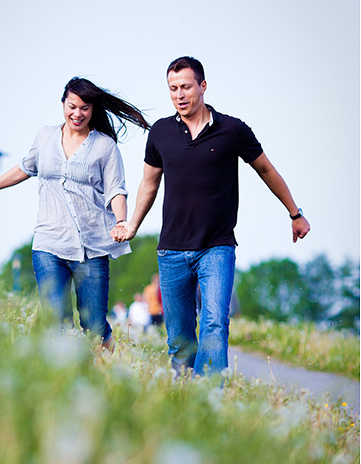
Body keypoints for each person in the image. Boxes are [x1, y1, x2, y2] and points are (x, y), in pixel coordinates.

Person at [112, 56, 310, 376]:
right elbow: (149, 183)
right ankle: (186, 400)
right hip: (172, 250)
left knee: (215, 324)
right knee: (179, 340)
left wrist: (295, 213)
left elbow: (265, 169)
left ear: (202, 86)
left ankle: (211, 400)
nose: (179, 94)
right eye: (173, 89)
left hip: (216, 247)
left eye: (186, 87)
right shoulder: (161, 132)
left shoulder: (232, 130)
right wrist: (133, 224)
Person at [0, 77, 150, 351]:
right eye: (72, 106)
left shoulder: (104, 146)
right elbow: (25, 168)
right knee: (56, 321)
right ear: (63, 103)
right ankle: (67, 380)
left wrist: (122, 220)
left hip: (92, 247)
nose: (77, 113)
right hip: (49, 244)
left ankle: (116, 372)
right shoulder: (45, 137)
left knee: (95, 326)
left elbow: (116, 190)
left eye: (85, 108)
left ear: (93, 110)